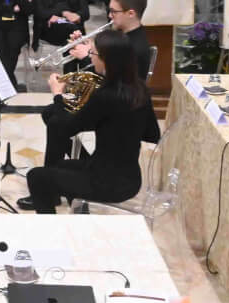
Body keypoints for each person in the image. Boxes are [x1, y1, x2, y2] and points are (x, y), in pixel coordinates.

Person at [20, 30, 159, 213]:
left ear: (106, 60)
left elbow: (64, 128)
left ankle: (53, 226)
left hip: (107, 182)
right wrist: (111, 124)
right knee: (59, 166)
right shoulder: (139, 89)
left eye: (93, 53)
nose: (91, 57)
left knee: (36, 177)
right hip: (129, 177)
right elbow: (152, 134)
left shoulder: (105, 96)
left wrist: (58, 95)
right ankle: (81, 213)